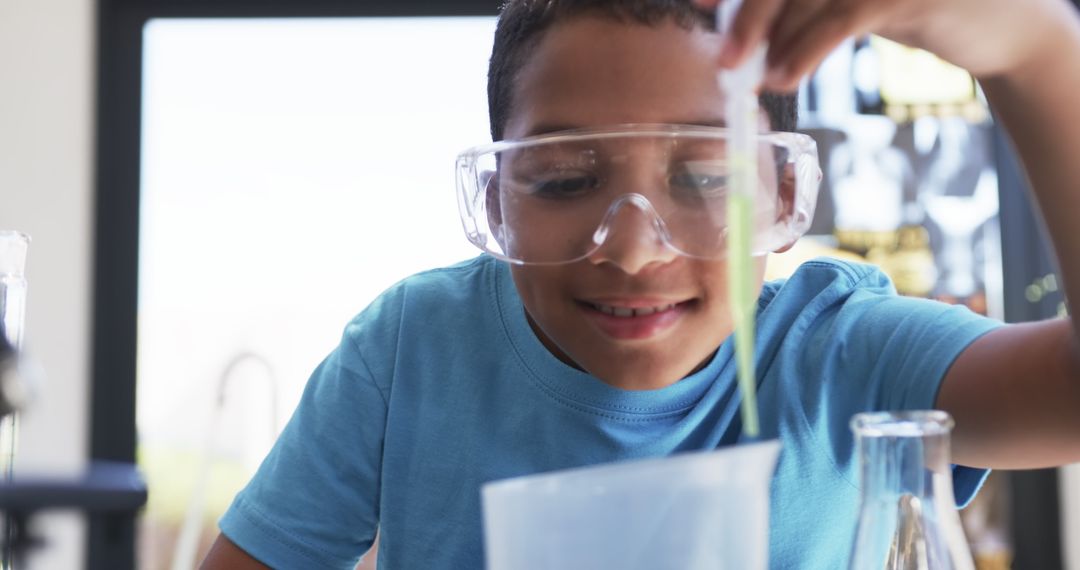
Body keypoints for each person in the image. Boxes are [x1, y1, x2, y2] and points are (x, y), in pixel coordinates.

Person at [202, 0, 1080, 567]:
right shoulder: (411, 353)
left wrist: (1034, 52)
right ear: (497, 196)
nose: (629, 251)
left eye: (702, 179)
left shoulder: (842, 355)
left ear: (782, 193)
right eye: (563, 179)